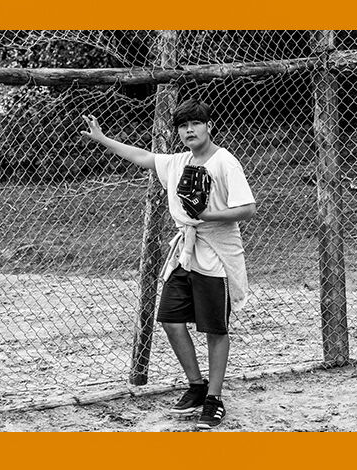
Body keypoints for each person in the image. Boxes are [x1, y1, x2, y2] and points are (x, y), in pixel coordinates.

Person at [80, 100, 255, 430]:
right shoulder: (178, 162)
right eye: (183, 125)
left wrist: (207, 215)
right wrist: (102, 138)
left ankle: (214, 399)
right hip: (185, 254)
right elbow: (143, 157)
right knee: (171, 320)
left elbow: (247, 208)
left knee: (214, 328)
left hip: (215, 254)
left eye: (195, 123)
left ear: (209, 126)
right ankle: (197, 386)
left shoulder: (224, 162)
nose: (189, 130)